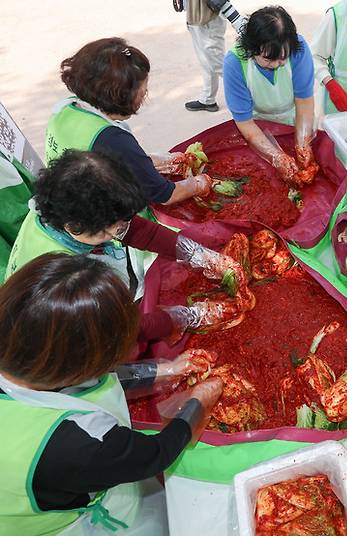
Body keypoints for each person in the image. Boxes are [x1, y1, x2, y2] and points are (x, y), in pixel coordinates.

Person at [0, 253, 224, 534]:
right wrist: (197, 402)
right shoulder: (79, 444)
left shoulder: (29, 348)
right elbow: (154, 454)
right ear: (80, 365)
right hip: (62, 524)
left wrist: (163, 370)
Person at [6, 150, 247, 312]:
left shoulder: (65, 208)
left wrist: (200, 255)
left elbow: (141, 232)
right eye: (111, 230)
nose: (120, 230)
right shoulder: (66, 276)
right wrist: (189, 316)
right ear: (75, 227)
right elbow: (120, 327)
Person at [46, 37, 211, 205]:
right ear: (121, 96)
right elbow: (165, 195)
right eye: (143, 91)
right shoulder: (113, 139)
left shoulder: (65, 108)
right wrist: (200, 183)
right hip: (93, 221)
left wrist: (147, 161)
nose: (145, 95)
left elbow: (110, 157)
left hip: (62, 202)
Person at [223, 6, 316, 185]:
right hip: (257, 127)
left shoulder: (300, 49)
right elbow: (245, 122)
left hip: (293, 118)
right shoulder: (234, 63)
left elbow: (304, 101)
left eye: (282, 58)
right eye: (267, 59)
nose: (275, 65)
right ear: (251, 49)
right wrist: (276, 156)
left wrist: (303, 143)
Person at [183, 0, 246, 112]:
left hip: (208, 17)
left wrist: (238, 22)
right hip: (196, 14)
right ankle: (208, 99)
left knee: (219, 64)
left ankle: (252, 92)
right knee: (206, 61)